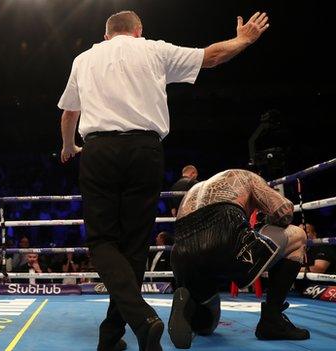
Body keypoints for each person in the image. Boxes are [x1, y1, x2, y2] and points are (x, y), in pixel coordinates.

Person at [57, 10, 270, 351]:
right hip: (145, 150)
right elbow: (211, 57)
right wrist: (244, 39)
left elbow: (69, 114)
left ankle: (141, 320)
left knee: (102, 243)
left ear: (107, 34)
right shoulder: (153, 49)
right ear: (138, 30)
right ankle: (112, 336)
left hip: (99, 151)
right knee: (135, 246)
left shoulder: (84, 58)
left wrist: (69, 147)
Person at [168, 169, 310, 348]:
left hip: (181, 251)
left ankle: (189, 305)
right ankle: (272, 321)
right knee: (297, 236)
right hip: (222, 235)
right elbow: (284, 212)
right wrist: (267, 217)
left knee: (207, 325)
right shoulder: (248, 177)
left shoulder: (198, 188)